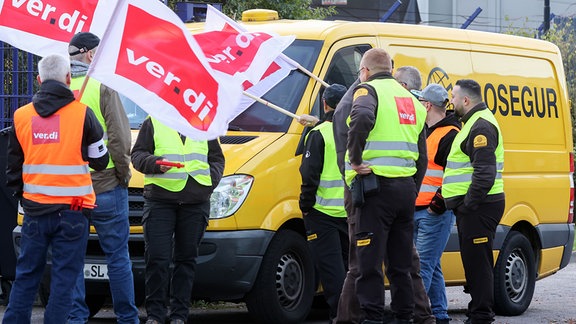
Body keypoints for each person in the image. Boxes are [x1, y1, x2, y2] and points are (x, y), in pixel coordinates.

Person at [3, 54, 109, 323]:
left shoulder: (21, 116)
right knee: (65, 280)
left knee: (27, 275)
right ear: (68, 79)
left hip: (35, 212)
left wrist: (25, 198)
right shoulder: (83, 114)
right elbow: (101, 161)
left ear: (39, 80)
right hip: (73, 212)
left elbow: (13, 170)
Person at [333, 68, 434, 324]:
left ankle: (372, 318)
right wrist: (413, 187)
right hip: (405, 191)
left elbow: (363, 116)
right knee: (402, 265)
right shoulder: (412, 100)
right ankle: (406, 317)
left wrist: (355, 160)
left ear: (365, 71)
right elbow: (421, 156)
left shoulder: (366, 91)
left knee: (368, 263)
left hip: (374, 191)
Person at [66, 31, 140, 324]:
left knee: (71, 258)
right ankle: (127, 318)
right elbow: (121, 138)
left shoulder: (58, 87)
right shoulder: (103, 85)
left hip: (69, 190)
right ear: (90, 54)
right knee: (118, 258)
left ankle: (75, 318)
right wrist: (123, 175)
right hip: (105, 185)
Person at [131, 117, 225, 324]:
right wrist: (154, 163)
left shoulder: (203, 123)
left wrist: (210, 181)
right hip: (160, 201)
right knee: (157, 259)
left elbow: (217, 158)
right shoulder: (154, 120)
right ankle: (155, 315)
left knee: (186, 260)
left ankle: (179, 316)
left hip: (195, 202)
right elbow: (137, 155)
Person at [443, 79, 505, 324]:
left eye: (454, 97)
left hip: (480, 206)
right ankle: (478, 311)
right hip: (478, 206)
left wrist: (468, 204)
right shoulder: (473, 123)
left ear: (466, 100)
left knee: (478, 264)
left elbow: (485, 173)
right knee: (474, 261)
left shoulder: (480, 127)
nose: (452, 102)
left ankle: (481, 316)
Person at [299, 83, 349, 324]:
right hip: (351, 210)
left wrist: (305, 205)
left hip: (322, 211)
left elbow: (309, 174)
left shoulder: (319, 133)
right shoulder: (356, 129)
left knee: (332, 270)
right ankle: (355, 313)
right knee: (351, 268)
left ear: (325, 103)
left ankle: (340, 316)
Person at [412, 84, 461, 324]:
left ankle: (414, 314)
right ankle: (440, 314)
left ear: (428, 105)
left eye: (420, 102)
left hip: (434, 212)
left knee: (421, 268)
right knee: (432, 265)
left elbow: (455, 175)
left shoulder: (451, 134)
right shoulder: (426, 130)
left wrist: (437, 205)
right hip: (419, 208)